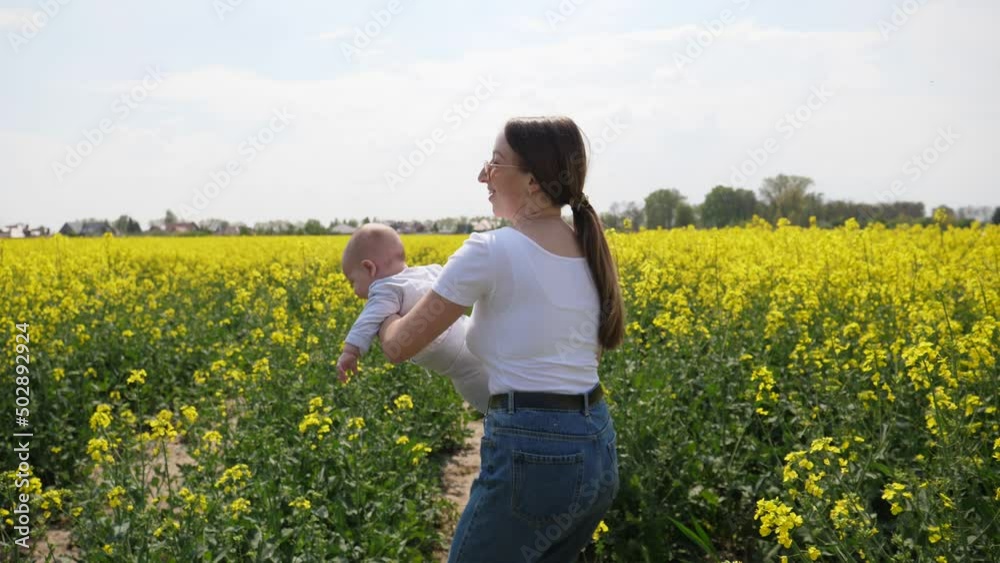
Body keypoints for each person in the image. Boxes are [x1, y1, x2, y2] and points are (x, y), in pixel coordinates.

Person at [378, 116, 625, 562]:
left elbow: (399, 346)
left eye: (494, 163)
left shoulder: (490, 251)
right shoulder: (588, 249)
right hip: (597, 448)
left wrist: (382, 301)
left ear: (531, 181)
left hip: (533, 454)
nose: (482, 175)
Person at [336, 223, 491, 413]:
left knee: (488, 401)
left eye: (353, 282)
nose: (354, 291)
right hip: (472, 336)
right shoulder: (428, 270)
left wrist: (350, 351)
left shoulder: (384, 289)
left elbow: (366, 322)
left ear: (369, 268)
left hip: (458, 364)